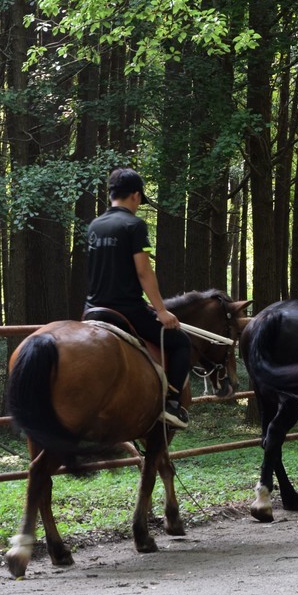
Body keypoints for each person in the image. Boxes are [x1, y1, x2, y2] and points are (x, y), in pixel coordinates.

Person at [85, 168, 190, 423]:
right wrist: (162, 311)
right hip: (126, 311)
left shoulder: (95, 225)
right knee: (181, 343)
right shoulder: (134, 225)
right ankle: (172, 405)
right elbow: (144, 272)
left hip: (93, 310)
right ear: (135, 195)